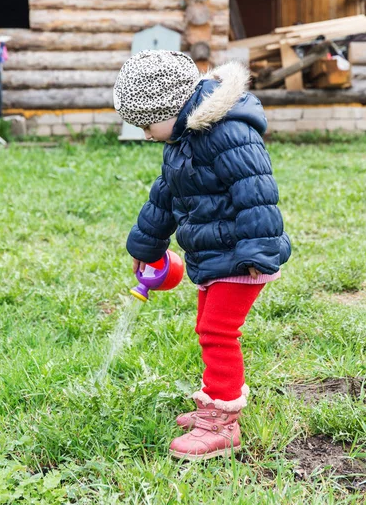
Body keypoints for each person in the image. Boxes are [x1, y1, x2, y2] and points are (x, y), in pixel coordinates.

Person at [114, 50, 291, 461]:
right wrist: (147, 245)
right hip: (216, 253)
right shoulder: (182, 138)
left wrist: (257, 253)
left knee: (217, 331)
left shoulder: (228, 132)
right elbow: (164, 195)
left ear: (171, 108)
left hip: (243, 254)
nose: (145, 134)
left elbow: (257, 193)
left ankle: (222, 423)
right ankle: (215, 400)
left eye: (146, 124)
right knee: (208, 326)